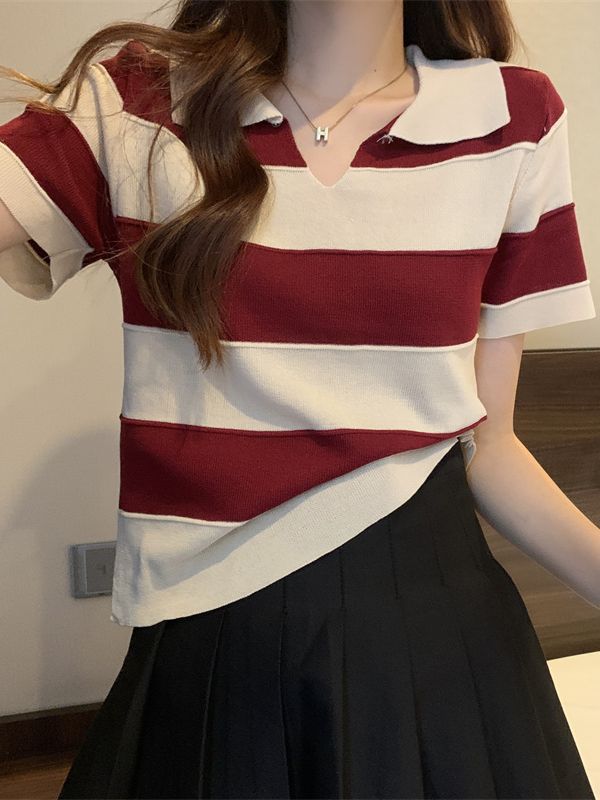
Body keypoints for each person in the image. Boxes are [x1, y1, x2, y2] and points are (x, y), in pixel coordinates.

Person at [0, 0, 598, 797]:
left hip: (438, 631)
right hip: (212, 637)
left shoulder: (512, 118)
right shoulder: (140, 104)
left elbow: (490, 443)